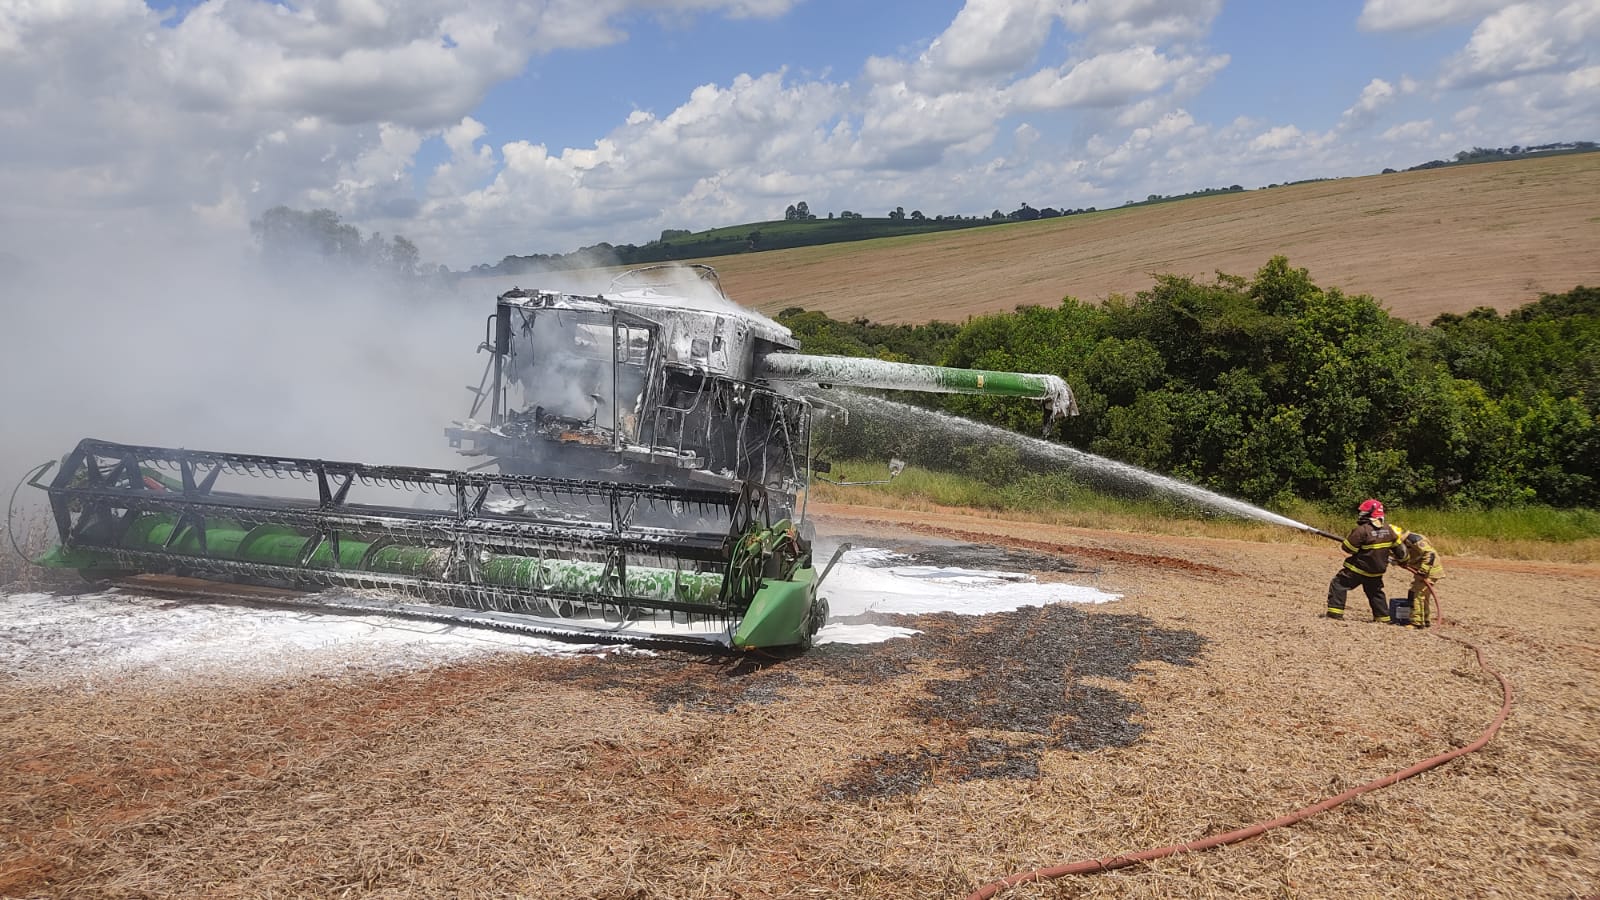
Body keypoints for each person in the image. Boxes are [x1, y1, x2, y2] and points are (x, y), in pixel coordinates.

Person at [1326, 498, 1400, 622]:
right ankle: (1383, 618)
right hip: (1377, 571)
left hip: (1359, 569)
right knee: (1375, 593)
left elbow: (1348, 548)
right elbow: (1401, 551)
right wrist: (1403, 560)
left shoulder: (1362, 530)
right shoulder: (1389, 530)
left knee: (1339, 584)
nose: (1360, 514)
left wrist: (1349, 542)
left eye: (1363, 512)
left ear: (1369, 514)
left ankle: (1335, 614)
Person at [1390, 526, 1443, 628]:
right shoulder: (1404, 542)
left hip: (1430, 571)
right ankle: (1425, 620)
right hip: (1424, 571)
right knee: (1424, 595)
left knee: (1416, 594)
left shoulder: (1414, 539)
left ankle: (1417, 623)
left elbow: (1429, 554)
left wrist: (1423, 570)